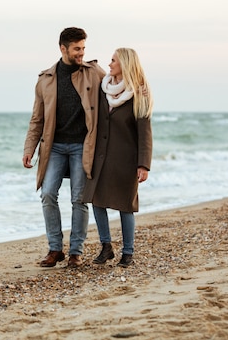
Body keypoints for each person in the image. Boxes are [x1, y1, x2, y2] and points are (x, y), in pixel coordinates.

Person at [23, 27, 106, 268]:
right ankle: (55, 249)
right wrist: (29, 148)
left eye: (83, 48)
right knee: (48, 193)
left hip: (83, 145)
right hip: (54, 147)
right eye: (77, 49)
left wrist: (138, 88)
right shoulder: (45, 79)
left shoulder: (94, 72)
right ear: (63, 49)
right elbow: (36, 119)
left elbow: (115, 87)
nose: (81, 53)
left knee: (79, 199)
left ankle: (76, 252)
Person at [82, 47, 153, 267]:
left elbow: (145, 133)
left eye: (113, 61)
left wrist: (143, 165)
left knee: (126, 205)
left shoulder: (138, 94)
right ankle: (106, 247)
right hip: (100, 157)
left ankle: (128, 253)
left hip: (126, 160)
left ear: (124, 64)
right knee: (96, 200)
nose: (110, 64)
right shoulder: (105, 89)